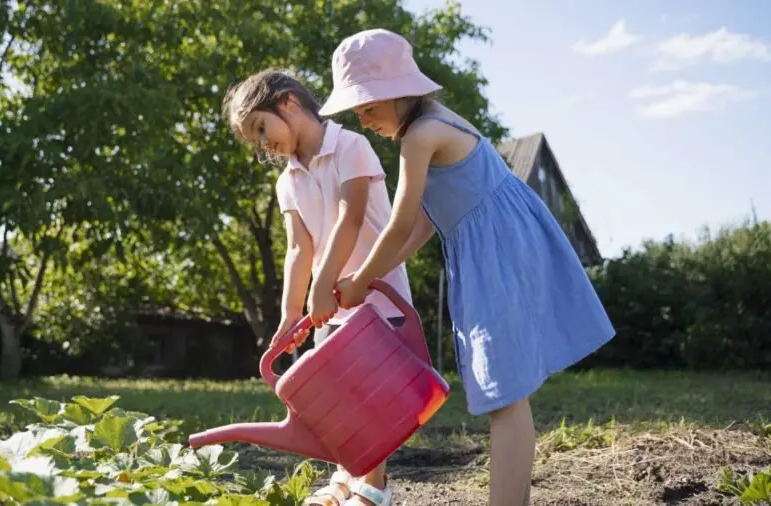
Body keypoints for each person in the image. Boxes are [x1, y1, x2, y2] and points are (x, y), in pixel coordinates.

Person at [322, 29, 616, 506]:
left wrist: (359, 280)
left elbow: (397, 225)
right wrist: (370, 280)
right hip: (500, 249)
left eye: (368, 106)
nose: (362, 117)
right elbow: (423, 223)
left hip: (498, 255)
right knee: (509, 395)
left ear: (397, 92)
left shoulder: (420, 136)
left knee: (505, 396)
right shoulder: (429, 126)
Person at [222, 68, 413, 506]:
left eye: (261, 129)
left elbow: (351, 215)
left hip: (373, 295)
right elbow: (297, 248)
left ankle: (374, 488)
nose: (263, 146)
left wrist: (322, 286)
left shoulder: (351, 146)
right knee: (339, 398)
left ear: (288, 103)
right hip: (327, 306)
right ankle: (345, 478)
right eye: (256, 142)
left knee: (373, 397)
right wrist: (292, 312)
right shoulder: (287, 180)